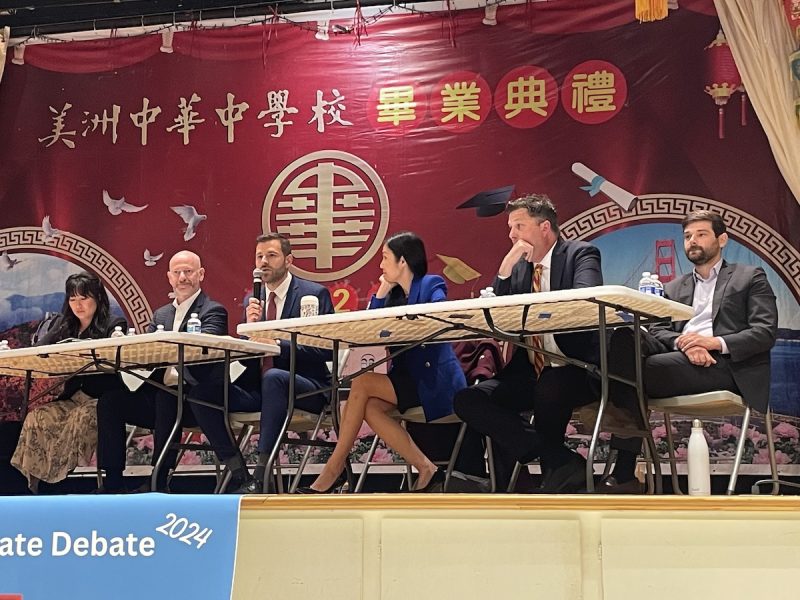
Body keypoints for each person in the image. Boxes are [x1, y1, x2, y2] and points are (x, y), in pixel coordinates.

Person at [600, 210, 778, 492]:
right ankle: (626, 473)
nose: (692, 241)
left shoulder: (750, 276)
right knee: (623, 338)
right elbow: (658, 331)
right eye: (687, 236)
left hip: (725, 365)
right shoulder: (673, 287)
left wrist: (711, 343)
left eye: (701, 234)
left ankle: (624, 471)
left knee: (627, 373)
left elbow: (765, 332)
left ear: (723, 239)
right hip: (681, 356)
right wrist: (684, 343)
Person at [454, 194, 603, 493]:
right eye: (510, 228)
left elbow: (583, 302)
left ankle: (555, 464)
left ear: (544, 227)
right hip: (530, 369)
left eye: (519, 226)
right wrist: (505, 269)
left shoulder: (581, 254)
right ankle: (555, 455)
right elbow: (501, 317)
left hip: (576, 366)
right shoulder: (520, 268)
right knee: (468, 399)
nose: (511, 235)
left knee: (550, 384)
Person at [303, 231, 467, 493]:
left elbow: (438, 313)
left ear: (403, 261)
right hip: (407, 380)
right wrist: (381, 291)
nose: (380, 265)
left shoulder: (431, 284)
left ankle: (333, 468)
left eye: (385, 258)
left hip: (435, 381)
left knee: (363, 382)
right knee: (370, 408)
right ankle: (426, 468)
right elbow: (367, 329)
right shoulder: (392, 295)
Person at [187, 232, 335, 493]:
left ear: (288, 260)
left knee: (274, 377)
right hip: (262, 389)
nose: (263, 262)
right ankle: (240, 475)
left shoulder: (312, 294)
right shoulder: (253, 300)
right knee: (201, 393)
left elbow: (324, 351)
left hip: (307, 387)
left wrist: (278, 346)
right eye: (259, 257)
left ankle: (261, 475)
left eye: (271, 255)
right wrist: (250, 332)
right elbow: (252, 355)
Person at [95, 250, 228, 493]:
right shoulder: (160, 315)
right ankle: (113, 480)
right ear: (169, 277)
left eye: (188, 271)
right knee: (110, 401)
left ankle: (159, 479)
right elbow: (148, 353)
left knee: (167, 395)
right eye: (177, 272)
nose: (182, 277)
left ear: (201, 274)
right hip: (158, 394)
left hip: (195, 400)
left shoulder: (213, 311)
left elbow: (205, 349)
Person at [11, 271, 128, 492]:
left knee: (81, 418)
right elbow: (41, 351)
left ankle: (61, 479)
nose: (78, 305)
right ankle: (37, 482)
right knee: (38, 416)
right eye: (73, 299)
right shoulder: (65, 325)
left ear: (98, 298)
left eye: (84, 298)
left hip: (101, 398)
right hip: (73, 397)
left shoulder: (114, 323)